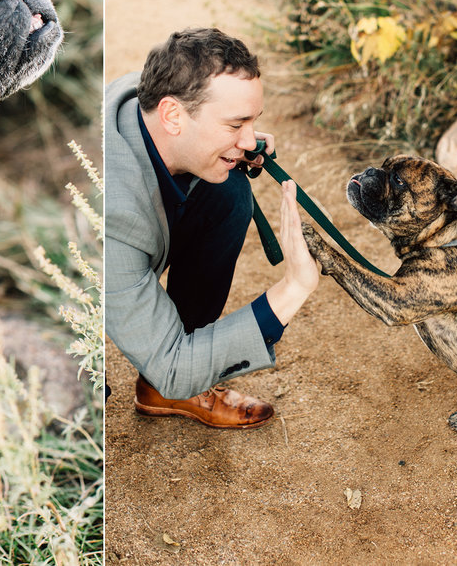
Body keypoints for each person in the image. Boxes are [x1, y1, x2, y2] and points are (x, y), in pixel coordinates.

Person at [104, 27, 320, 429]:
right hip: (51, 296)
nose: (252, 139)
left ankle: (163, 386)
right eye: (236, 123)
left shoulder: (149, 99)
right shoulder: (111, 212)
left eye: (253, 123)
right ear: (173, 115)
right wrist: (295, 287)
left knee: (226, 189)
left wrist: (231, 145)